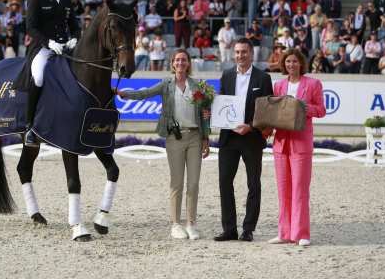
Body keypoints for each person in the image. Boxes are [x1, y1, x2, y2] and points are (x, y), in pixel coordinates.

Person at [116, 49, 211, 240]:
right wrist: (125, 94)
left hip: (194, 137)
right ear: (172, 64)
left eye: (184, 59)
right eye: (177, 60)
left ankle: (191, 223)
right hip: (174, 137)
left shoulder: (198, 86)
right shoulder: (166, 84)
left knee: (193, 183)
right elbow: (145, 93)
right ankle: (176, 224)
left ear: (188, 63)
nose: (181, 63)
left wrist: (206, 138)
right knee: (176, 182)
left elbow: (205, 114)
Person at [13, 0, 80, 146]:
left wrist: (74, 37)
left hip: (64, 48)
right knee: (39, 76)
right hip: (42, 48)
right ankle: (29, 127)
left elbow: (76, 26)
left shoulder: (66, 1)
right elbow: (31, 28)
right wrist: (49, 42)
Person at [214, 38, 273, 242]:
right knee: (224, 182)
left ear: (251, 53)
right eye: (237, 52)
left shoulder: (263, 78)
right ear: (233, 54)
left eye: (244, 52)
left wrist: (251, 126)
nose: (240, 56)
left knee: (253, 184)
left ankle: (248, 229)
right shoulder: (227, 75)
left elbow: (267, 110)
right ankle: (229, 229)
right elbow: (222, 103)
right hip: (229, 137)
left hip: (252, 137)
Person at [269, 48, 326, 247]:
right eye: (287, 62)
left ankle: (301, 233)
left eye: (294, 61)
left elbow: (321, 110)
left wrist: (303, 107)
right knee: (283, 189)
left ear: (301, 63)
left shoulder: (313, 84)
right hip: (281, 143)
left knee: (300, 189)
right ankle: (284, 232)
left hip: (301, 142)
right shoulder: (278, 86)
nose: (291, 65)